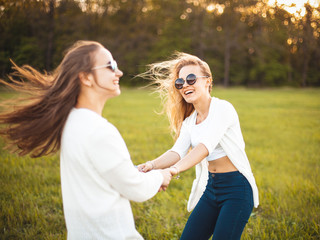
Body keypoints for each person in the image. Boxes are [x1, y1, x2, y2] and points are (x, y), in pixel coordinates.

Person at [0, 40, 173, 239]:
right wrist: (161, 175)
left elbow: (102, 173)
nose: (119, 72)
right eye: (111, 66)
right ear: (86, 78)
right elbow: (137, 189)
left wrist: (135, 172)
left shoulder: (72, 122)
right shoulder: (99, 132)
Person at [138, 52, 259, 240]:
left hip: (237, 189)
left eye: (191, 79)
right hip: (212, 189)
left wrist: (172, 171)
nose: (185, 85)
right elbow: (177, 151)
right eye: (180, 83)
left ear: (208, 81)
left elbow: (204, 147)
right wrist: (151, 165)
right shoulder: (190, 121)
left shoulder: (223, 108)